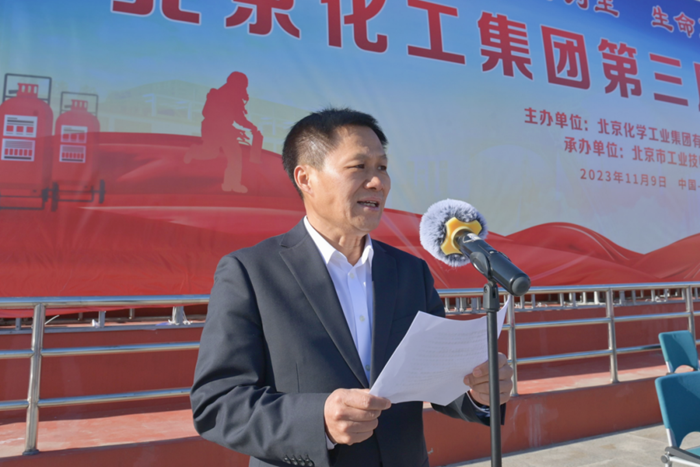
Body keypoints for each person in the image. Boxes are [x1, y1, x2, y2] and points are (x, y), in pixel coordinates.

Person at [190, 108, 513, 467]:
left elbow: (437, 380)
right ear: (306, 178)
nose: (377, 182)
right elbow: (217, 404)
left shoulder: (410, 272)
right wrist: (319, 421)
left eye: (382, 167)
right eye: (359, 167)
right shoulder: (251, 273)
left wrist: (479, 392)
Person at [184, 71, 263, 193]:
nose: (243, 89)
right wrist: (225, 125)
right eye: (242, 85)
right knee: (210, 153)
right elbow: (206, 113)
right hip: (211, 129)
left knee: (235, 155)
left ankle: (233, 184)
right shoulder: (216, 94)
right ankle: (193, 151)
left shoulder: (236, 98)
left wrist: (251, 127)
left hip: (226, 131)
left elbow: (239, 118)